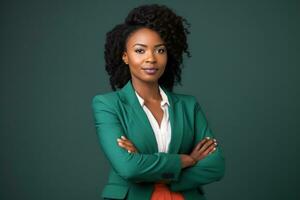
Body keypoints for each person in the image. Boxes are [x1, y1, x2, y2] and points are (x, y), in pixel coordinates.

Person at [91, 4, 225, 200]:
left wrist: (149, 168)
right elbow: (128, 168)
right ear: (125, 57)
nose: (151, 59)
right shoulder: (108, 105)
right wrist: (184, 161)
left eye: (160, 50)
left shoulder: (188, 106)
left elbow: (215, 166)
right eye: (140, 50)